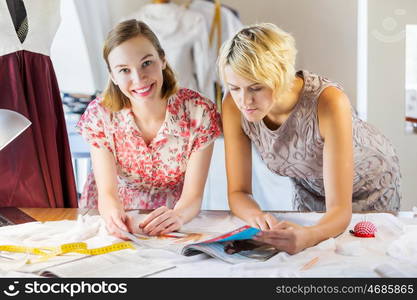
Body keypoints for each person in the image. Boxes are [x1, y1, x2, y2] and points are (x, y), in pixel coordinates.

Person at [219, 23, 401, 254]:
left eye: (256, 88)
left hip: (370, 184)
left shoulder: (329, 102)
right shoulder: (233, 104)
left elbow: (340, 210)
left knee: (363, 256)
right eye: (235, 88)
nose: (244, 101)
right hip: (310, 185)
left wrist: (310, 235)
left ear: (281, 76)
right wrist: (258, 217)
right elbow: (238, 192)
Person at [77, 20, 221, 238]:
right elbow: (107, 193)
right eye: (124, 70)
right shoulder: (100, 115)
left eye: (146, 63)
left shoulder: (199, 112)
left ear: (162, 59)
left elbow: (193, 196)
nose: (138, 78)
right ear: (113, 76)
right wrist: (113, 215)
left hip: (170, 219)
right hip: (110, 217)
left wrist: (179, 215)